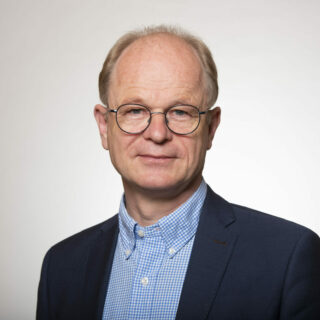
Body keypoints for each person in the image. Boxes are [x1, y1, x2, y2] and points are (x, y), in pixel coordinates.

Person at [36, 26, 320, 320]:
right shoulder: (62, 267)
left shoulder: (287, 258)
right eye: (135, 110)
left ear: (210, 127)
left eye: (180, 112)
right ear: (104, 127)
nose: (157, 134)